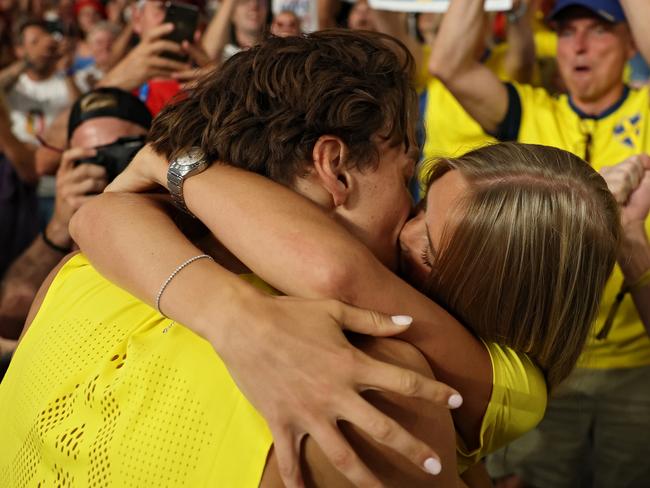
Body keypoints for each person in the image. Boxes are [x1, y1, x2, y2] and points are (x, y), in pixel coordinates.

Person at [3, 30, 618, 486]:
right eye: (409, 180)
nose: (408, 222)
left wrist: (168, 167)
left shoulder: (81, 274)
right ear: (335, 167)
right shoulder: (383, 391)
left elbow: (96, 215)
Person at [430, 0, 650, 485]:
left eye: (599, 30)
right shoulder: (531, 111)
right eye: (567, 31)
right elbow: (447, 64)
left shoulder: (645, 110)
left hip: (638, 367)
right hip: (548, 366)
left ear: (632, 42)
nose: (580, 45)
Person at [0, 87, 151, 376]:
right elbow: (8, 318)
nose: (107, 169)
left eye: (122, 150)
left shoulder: (180, 213)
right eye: (92, 158)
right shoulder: (67, 230)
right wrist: (60, 225)